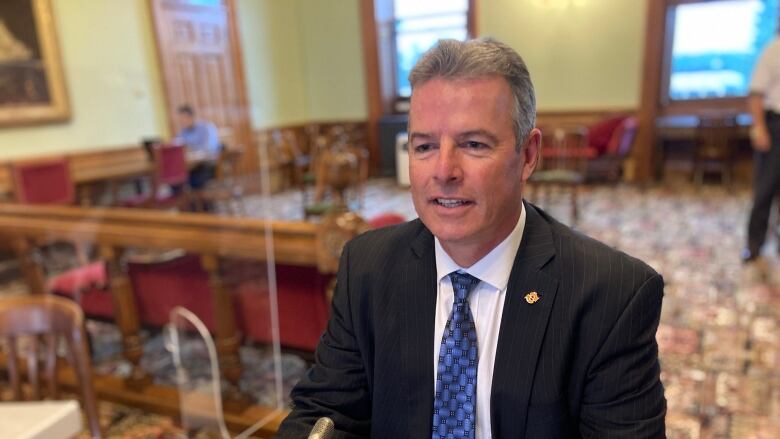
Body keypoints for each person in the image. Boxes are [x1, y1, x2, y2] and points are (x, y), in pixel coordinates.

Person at [275, 38, 666, 438]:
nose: (443, 171)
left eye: (473, 144)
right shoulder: (368, 266)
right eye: (424, 146)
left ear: (528, 155)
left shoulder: (613, 295)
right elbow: (327, 412)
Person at [743, 35, 780, 263]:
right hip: (775, 127)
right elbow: (756, 94)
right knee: (765, 190)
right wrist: (759, 129)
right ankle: (754, 245)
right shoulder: (773, 50)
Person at [174, 104, 220, 189]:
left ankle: (202, 201)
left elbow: (209, 150)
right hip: (192, 166)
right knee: (175, 181)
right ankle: (188, 201)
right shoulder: (183, 132)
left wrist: (191, 150)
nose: (182, 121)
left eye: (184, 118)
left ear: (191, 117)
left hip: (208, 166)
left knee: (194, 181)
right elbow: (176, 145)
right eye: (180, 119)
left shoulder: (206, 128)